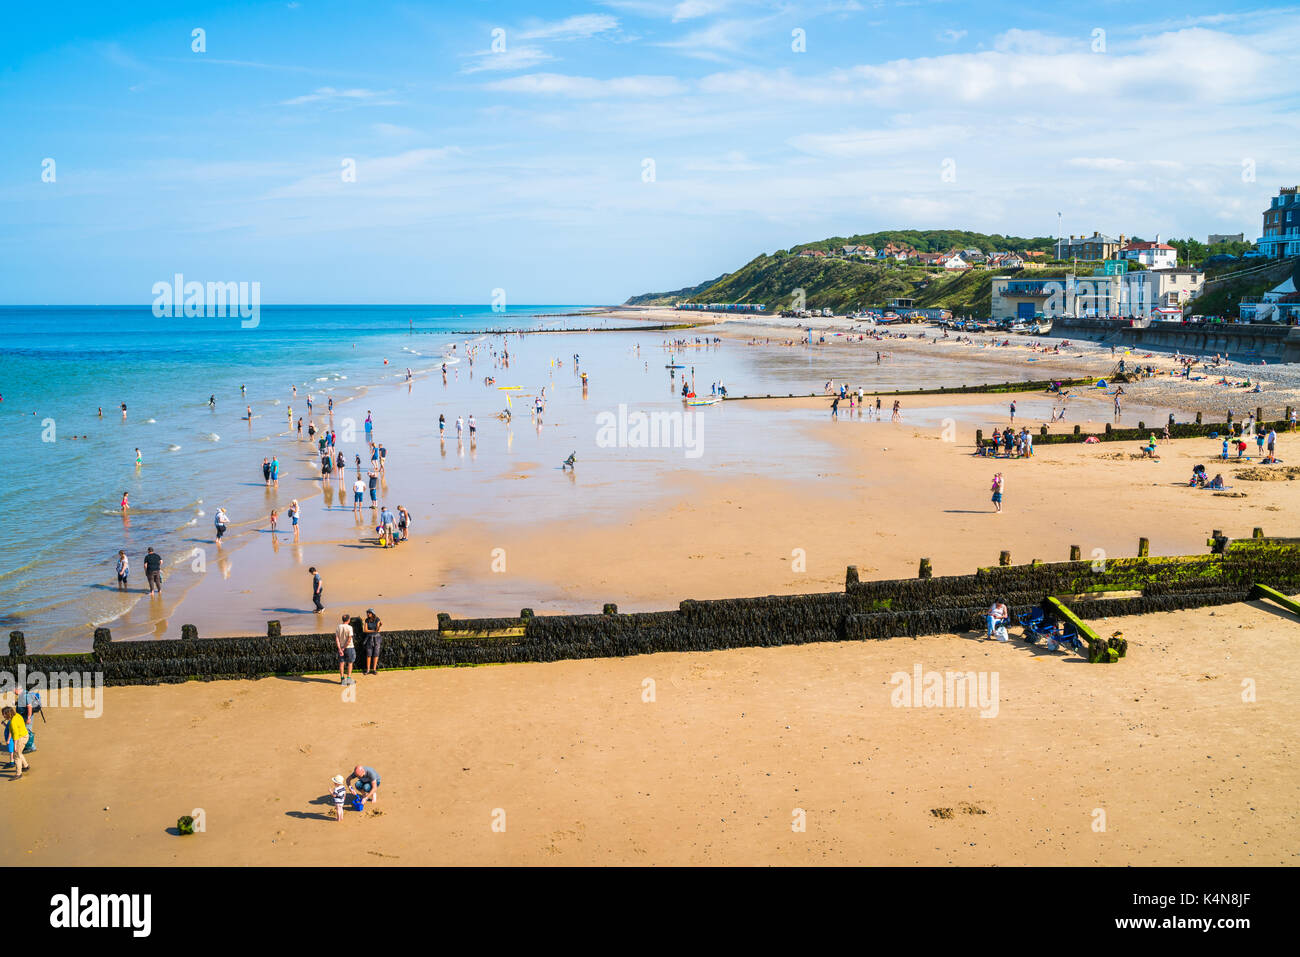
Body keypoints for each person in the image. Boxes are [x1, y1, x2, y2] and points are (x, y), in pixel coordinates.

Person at [3, 707, 30, 778]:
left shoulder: (12, 722)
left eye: (4, 714)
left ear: (8, 714)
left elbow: (15, 736)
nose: (3, 716)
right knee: (19, 753)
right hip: (25, 735)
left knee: (16, 756)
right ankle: (26, 766)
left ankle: (18, 773)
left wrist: (15, 746)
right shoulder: (17, 715)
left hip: (20, 738)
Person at [334, 613, 354, 684]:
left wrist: (340, 649)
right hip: (349, 647)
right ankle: (348, 679)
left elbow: (337, 639)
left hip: (341, 647)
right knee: (350, 663)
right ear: (348, 620)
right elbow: (349, 640)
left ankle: (342, 679)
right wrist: (344, 648)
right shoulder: (350, 627)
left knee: (341, 663)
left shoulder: (338, 627)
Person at [362, 608, 382, 674]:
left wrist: (378, 627)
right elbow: (365, 630)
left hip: (377, 638)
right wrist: (373, 631)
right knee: (369, 654)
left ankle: (374, 669)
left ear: (372, 613)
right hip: (369, 638)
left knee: (376, 654)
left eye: (369, 613)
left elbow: (378, 630)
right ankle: (368, 670)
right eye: (367, 612)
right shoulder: (367, 620)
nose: (368, 614)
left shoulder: (377, 619)